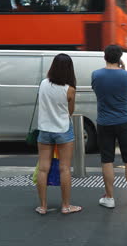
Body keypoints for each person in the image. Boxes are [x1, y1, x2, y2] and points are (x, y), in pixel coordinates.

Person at [91, 45, 127, 209]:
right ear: (120, 58)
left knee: (107, 160)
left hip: (104, 122)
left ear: (105, 57)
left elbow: (96, 90)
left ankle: (109, 197)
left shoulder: (96, 75)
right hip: (124, 121)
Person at [35, 53, 82, 215]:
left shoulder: (43, 84)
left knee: (43, 169)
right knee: (64, 169)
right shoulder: (70, 89)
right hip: (62, 129)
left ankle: (42, 206)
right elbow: (70, 111)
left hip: (44, 130)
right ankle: (66, 206)